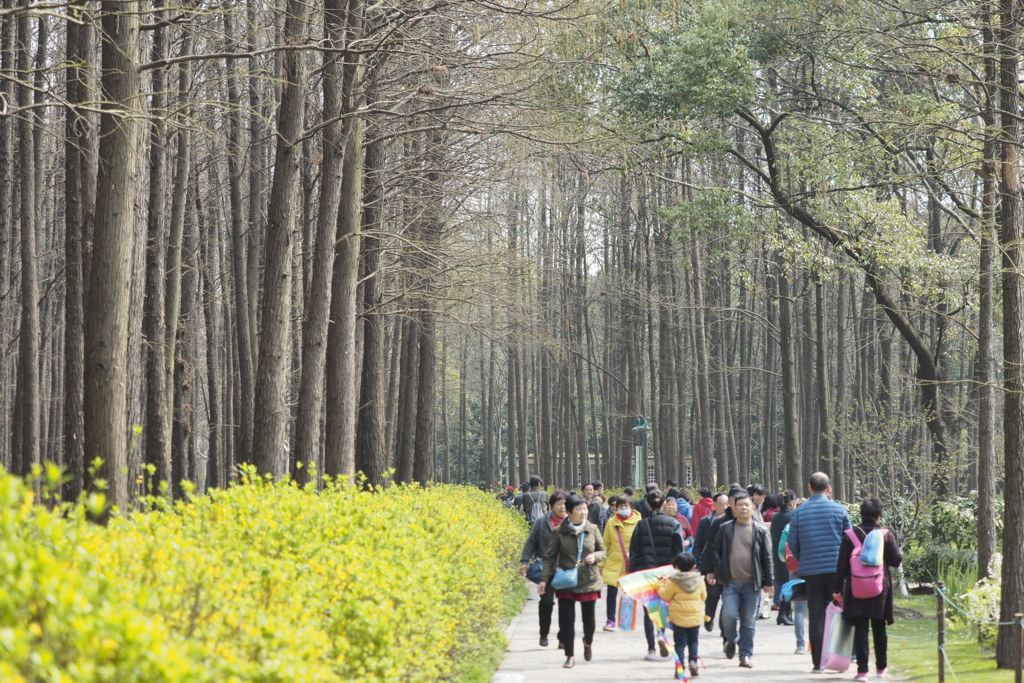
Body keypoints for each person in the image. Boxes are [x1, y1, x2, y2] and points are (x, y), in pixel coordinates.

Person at [833, 497, 903, 681]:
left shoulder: (849, 535)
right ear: (879, 516)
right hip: (880, 587)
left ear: (862, 514)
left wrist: (837, 589)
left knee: (860, 628)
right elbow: (896, 561)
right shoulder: (886, 535)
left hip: (856, 587)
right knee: (879, 628)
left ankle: (862, 670)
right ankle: (881, 668)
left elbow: (841, 566)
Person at [789, 472, 852, 673]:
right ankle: (841, 658)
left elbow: (793, 543)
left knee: (816, 615)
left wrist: (805, 558)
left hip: (811, 571)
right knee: (840, 613)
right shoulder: (839, 509)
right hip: (836, 570)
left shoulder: (799, 512)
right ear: (829, 488)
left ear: (809, 488)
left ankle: (818, 663)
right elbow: (850, 540)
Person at [706, 492, 774, 669]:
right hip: (730, 583)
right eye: (740, 505)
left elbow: (767, 557)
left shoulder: (761, 531)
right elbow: (714, 549)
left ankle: (745, 655)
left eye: (747, 505)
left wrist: (769, 581)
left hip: (752, 584)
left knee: (748, 621)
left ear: (753, 508)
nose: (744, 508)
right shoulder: (726, 528)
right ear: (734, 508)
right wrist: (716, 569)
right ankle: (731, 639)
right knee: (728, 616)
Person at [538, 494, 607, 669]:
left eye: (585, 508)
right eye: (579, 509)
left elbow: (603, 551)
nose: (583, 512)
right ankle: (569, 655)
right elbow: (549, 557)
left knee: (589, 622)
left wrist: (595, 556)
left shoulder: (592, 529)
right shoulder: (559, 532)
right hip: (567, 580)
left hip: (589, 580)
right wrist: (544, 579)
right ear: (569, 512)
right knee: (567, 620)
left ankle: (587, 641)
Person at [629, 490, 684, 660]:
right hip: (667, 572)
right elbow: (679, 551)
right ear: (665, 504)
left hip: (646, 572)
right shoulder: (674, 524)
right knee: (665, 606)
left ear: (647, 504)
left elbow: (634, 552)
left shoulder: (641, 524)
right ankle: (662, 634)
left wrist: (633, 573)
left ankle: (651, 649)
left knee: (649, 610)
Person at [520, 489, 570, 648]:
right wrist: (524, 561)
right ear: (551, 506)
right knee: (547, 602)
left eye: (565, 504)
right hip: (547, 569)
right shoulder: (542, 521)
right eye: (559, 504)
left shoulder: (573, 522)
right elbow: (531, 542)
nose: (563, 507)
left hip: (566, 570)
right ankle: (544, 633)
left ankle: (563, 636)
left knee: (565, 604)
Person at [658, 552, 707, 678]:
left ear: (676, 567)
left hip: (678, 618)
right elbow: (704, 597)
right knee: (693, 641)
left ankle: (680, 667)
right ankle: (692, 662)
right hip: (695, 617)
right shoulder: (699, 581)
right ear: (693, 566)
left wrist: (660, 584)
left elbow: (665, 595)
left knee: (679, 643)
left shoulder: (673, 581)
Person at [600, 494, 641, 631]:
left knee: (629, 593)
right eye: (620, 506)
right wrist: (601, 564)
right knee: (611, 592)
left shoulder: (639, 522)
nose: (623, 508)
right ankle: (610, 620)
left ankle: (626, 620)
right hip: (613, 563)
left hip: (632, 563)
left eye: (626, 506)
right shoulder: (611, 523)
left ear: (631, 507)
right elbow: (605, 544)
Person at [694, 492, 729, 632]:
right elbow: (699, 543)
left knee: (727, 597)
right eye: (721, 504)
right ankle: (709, 617)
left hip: (727, 565)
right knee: (712, 595)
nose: (725, 507)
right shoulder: (705, 521)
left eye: (727, 503)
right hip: (711, 564)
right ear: (714, 505)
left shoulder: (733, 521)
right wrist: (696, 562)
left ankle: (723, 624)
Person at [769, 490, 798, 629]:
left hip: (777, 551)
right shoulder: (793, 516)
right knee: (790, 583)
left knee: (781, 581)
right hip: (790, 553)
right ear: (792, 501)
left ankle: (784, 612)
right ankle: (785, 613)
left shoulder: (774, 517)